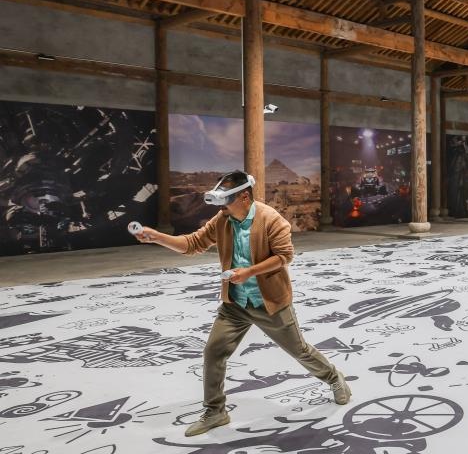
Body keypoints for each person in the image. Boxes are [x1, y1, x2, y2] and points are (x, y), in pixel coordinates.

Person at [134, 170, 351, 437]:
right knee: (214, 352)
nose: (222, 208)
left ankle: (334, 378)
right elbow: (192, 244)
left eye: (226, 201)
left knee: (299, 350)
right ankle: (215, 411)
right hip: (235, 304)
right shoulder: (223, 219)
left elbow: (284, 256)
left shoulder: (271, 219)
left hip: (268, 302)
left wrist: (248, 272)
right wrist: (157, 237)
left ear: (244, 197)